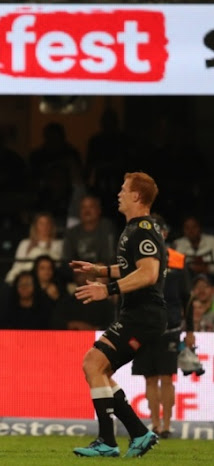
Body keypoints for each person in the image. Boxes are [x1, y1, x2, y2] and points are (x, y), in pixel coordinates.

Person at [70, 172, 166, 458]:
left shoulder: (143, 229)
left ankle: (107, 441)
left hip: (143, 315)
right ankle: (138, 433)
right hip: (140, 314)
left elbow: (148, 274)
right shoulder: (135, 229)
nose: (119, 194)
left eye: (124, 189)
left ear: (137, 196)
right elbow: (134, 268)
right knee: (100, 370)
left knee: (93, 363)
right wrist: (100, 270)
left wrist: (107, 288)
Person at [131, 214, 189, 439]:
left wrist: (190, 330)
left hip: (170, 327)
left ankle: (166, 425)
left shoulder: (178, 259)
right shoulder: (136, 258)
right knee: (150, 377)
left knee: (166, 377)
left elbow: (188, 297)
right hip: (145, 325)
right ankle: (154, 424)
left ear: (164, 233)